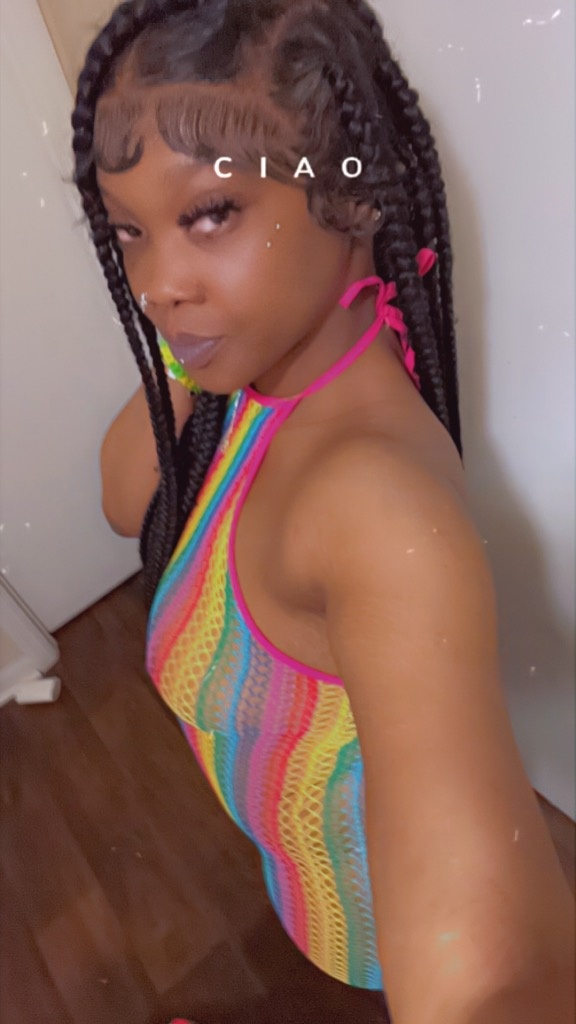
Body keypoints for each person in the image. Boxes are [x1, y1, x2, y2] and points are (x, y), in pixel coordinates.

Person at [71, 1, 574, 1021]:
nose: (157, 283)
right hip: (301, 891)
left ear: (352, 197)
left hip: (372, 932)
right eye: (130, 231)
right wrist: (192, 343)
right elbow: (125, 498)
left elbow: (490, 979)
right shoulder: (256, 376)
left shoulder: (373, 512)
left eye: (211, 212)